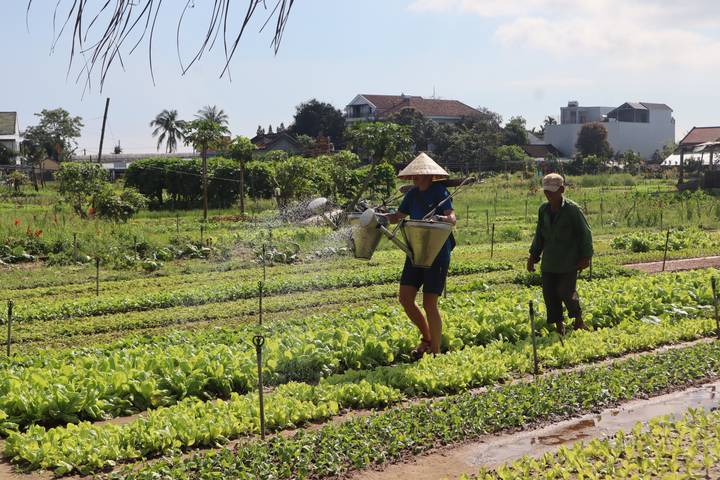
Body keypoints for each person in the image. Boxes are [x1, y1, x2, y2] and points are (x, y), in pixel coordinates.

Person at [382, 153, 457, 358]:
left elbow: (452, 218)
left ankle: (435, 352)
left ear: (430, 176)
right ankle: (427, 338)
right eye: (414, 175)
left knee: (429, 303)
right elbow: (397, 217)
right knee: (405, 298)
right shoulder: (412, 195)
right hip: (415, 250)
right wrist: (379, 217)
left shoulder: (440, 191)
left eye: (420, 175)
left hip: (436, 253)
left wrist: (440, 217)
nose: (416, 179)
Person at [527, 173, 593, 334]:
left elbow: (585, 233)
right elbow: (539, 234)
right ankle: (559, 326)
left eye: (552, 191)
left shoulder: (572, 210)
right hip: (549, 261)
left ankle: (578, 320)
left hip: (569, 261)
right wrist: (533, 256)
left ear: (562, 189)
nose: (548, 195)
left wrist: (586, 257)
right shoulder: (543, 210)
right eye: (546, 191)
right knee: (549, 294)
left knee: (566, 291)